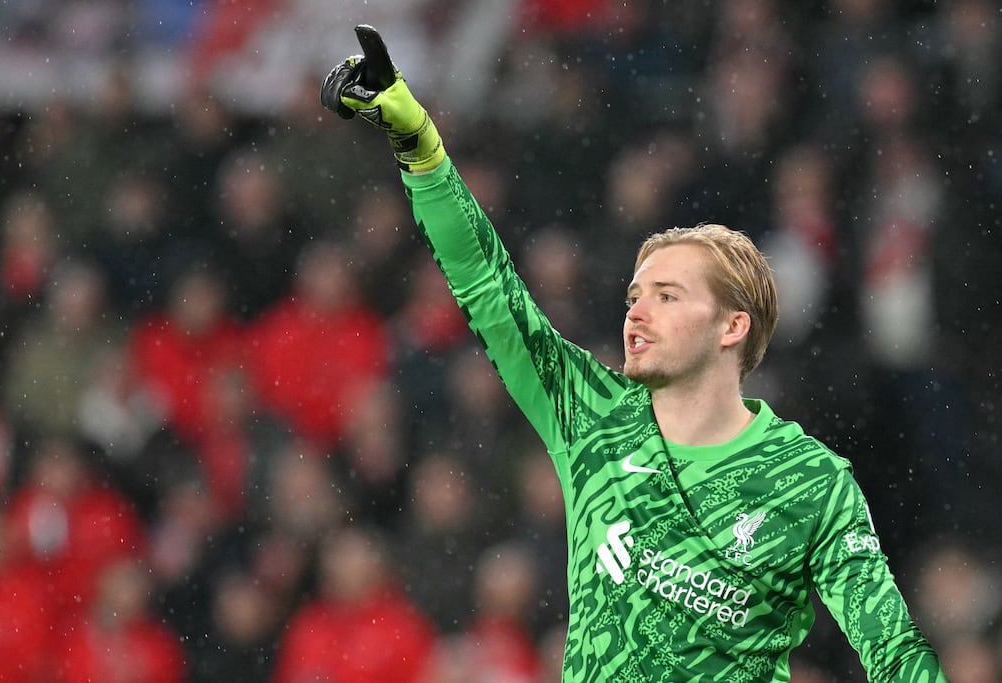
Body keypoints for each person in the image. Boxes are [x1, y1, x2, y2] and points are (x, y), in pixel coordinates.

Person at [320, 25, 950, 683]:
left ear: (732, 327)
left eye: (668, 296)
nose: (637, 313)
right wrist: (420, 147)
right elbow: (486, 285)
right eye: (634, 296)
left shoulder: (810, 483)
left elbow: (894, 651)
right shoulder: (593, 413)